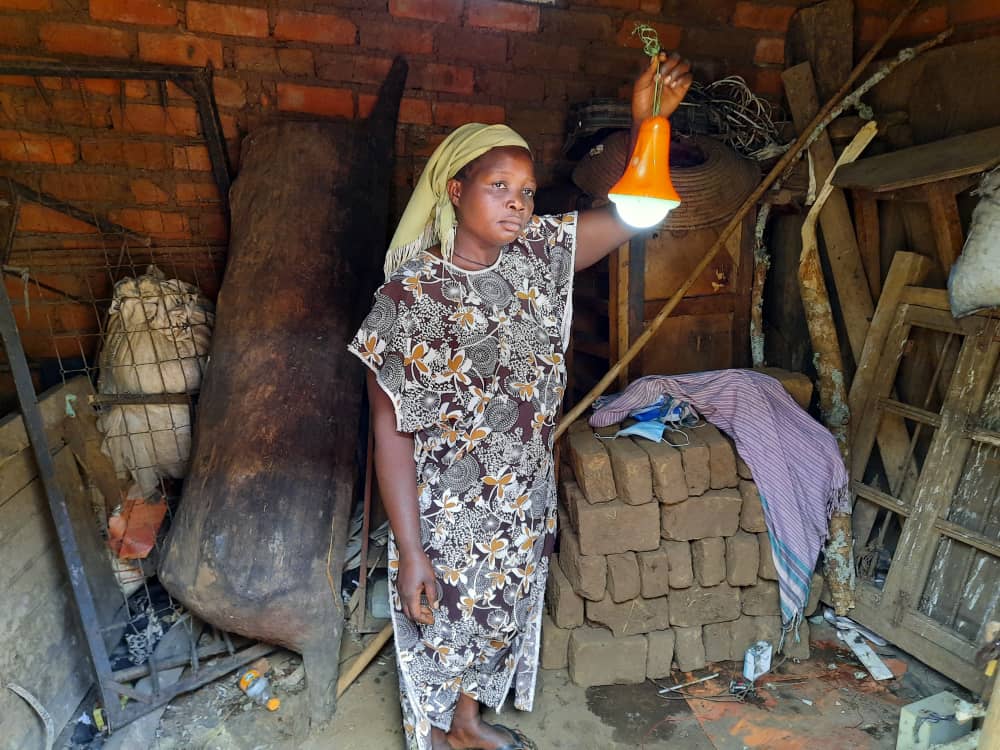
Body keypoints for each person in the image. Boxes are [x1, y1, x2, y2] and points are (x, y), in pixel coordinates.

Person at [348, 51, 692, 750]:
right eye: (499, 186)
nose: (518, 202)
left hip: (522, 494)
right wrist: (411, 550)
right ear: (454, 189)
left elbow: (636, 214)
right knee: (441, 619)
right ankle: (442, 730)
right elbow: (391, 436)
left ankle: (469, 721)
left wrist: (646, 125)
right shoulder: (407, 302)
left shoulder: (538, 257)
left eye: (528, 191)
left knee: (503, 610)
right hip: (446, 508)